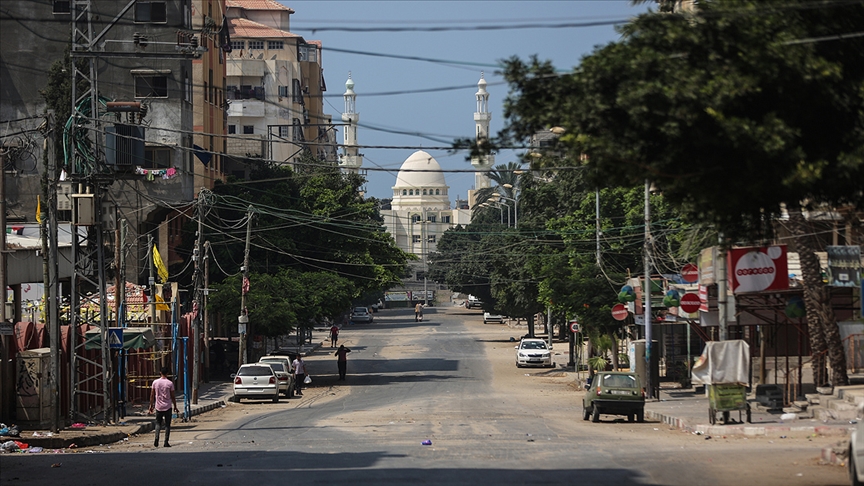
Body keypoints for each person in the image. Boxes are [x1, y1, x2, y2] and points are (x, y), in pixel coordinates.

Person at [148, 366, 178, 448]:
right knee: (167, 425)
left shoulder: (155, 382)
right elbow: (173, 396)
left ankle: (156, 439)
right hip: (168, 406)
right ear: (167, 374)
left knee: (158, 423)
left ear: (160, 373)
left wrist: (151, 405)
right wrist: (175, 406)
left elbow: (152, 395)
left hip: (158, 406)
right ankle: (166, 442)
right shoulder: (170, 383)